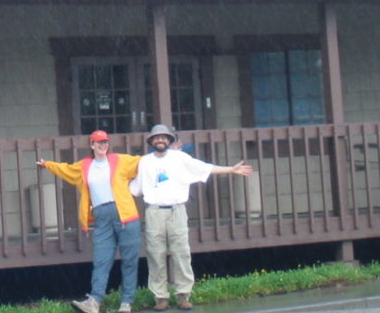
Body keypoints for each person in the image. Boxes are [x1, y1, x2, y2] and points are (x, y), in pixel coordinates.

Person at [130, 124, 253, 311]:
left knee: (181, 253)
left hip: (177, 210)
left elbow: (204, 168)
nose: (160, 140)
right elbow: (136, 189)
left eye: (164, 137)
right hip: (154, 211)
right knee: (156, 254)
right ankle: (160, 296)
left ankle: (183, 294)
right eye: (157, 138)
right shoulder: (145, 162)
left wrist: (230, 169)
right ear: (152, 141)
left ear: (169, 140)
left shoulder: (180, 158)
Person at [37, 130, 141, 313]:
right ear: (92, 145)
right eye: (98, 142)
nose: (103, 145)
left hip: (125, 215)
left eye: (105, 142)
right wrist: (47, 165)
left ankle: (126, 303)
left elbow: (144, 163)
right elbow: (65, 169)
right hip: (101, 216)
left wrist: (170, 155)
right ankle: (94, 301)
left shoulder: (120, 160)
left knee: (129, 261)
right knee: (101, 259)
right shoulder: (84, 166)